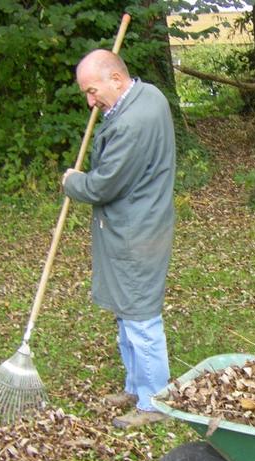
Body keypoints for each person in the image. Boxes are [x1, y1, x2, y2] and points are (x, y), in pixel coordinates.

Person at [62, 49, 175, 428]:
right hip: (135, 225)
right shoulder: (148, 95)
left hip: (136, 232)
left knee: (141, 317)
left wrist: (72, 182)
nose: (90, 101)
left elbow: (103, 185)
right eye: (85, 94)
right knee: (126, 311)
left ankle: (154, 401)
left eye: (93, 91)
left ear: (116, 79)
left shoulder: (133, 123)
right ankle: (134, 386)